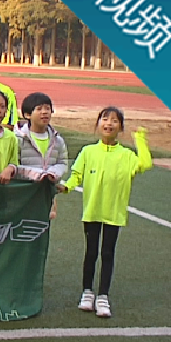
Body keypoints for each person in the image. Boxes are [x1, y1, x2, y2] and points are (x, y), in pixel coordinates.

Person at [61, 107, 151, 318]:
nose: (109, 124)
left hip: (114, 213)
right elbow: (76, 175)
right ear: (98, 124)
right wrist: (67, 187)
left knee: (107, 253)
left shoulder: (126, 155)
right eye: (105, 119)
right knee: (91, 252)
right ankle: (87, 292)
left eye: (114, 121)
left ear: (120, 128)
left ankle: (103, 296)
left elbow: (145, 163)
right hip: (92, 211)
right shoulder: (88, 151)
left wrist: (140, 139)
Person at [14, 92, 69, 220]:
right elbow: (14, 164)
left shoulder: (57, 140)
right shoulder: (18, 139)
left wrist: (53, 173)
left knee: (43, 226)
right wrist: (38, 175)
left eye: (47, 109)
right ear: (27, 115)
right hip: (24, 192)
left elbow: (62, 162)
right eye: (39, 109)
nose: (44, 112)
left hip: (46, 193)